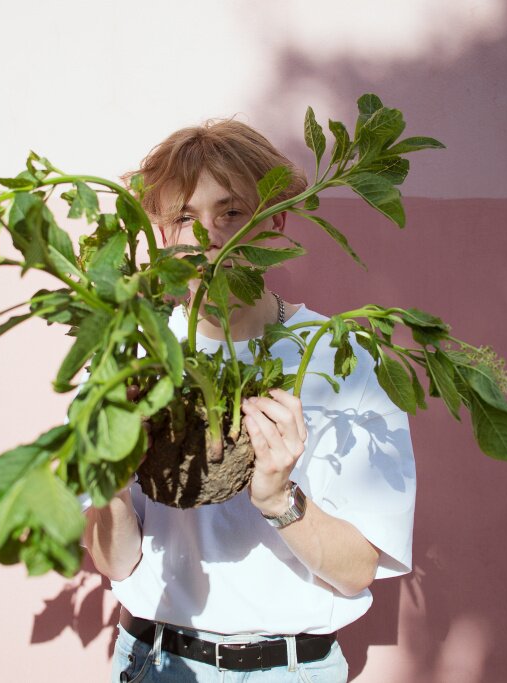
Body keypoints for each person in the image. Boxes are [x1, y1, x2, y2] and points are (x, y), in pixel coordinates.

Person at [82, 119, 416, 682]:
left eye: (232, 211)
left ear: (276, 221)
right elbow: (114, 560)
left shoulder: (343, 356)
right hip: (157, 663)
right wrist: (110, 481)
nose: (209, 234)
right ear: (163, 234)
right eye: (184, 217)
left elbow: (358, 570)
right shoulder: (131, 354)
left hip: (292, 670)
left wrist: (280, 498)